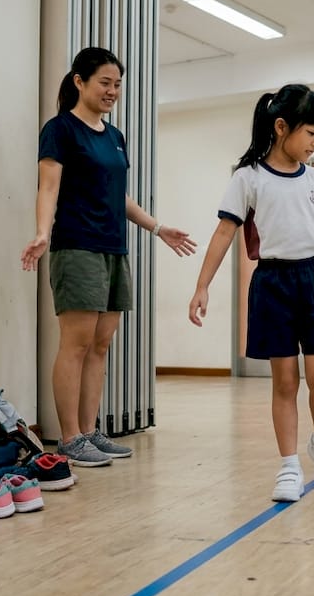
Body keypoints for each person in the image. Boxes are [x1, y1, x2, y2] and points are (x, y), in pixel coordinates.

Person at [187, 84, 314, 503]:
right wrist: (202, 285)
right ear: (281, 127)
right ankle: (289, 465)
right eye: (311, 133)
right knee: (285, 382)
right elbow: (225, 233)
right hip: (274, 284)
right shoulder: (249, 178)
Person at [21, 47, 196, 468]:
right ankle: (69, 438)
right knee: (76, 344)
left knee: (101, 344)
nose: (113, 91)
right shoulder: (60, 129)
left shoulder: (114, 136)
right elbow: (48, 187)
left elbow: (117, 196)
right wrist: (43, 233)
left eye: (118, 84)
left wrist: (157, 228)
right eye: (105, 82)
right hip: (77, 246)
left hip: (114, 248)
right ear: (79, 81)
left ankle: (90, 430)